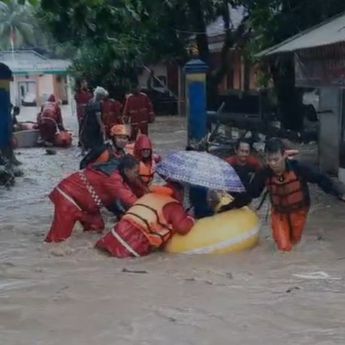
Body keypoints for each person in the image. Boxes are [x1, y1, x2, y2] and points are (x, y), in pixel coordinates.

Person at [248, 137, 345, 252]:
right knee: (284, 247)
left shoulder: (299, 168)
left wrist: (340, 193)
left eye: (276, 159)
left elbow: (322, 179)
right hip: (279, 213)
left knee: (295, 241)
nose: (273, 164)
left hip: (299, 210)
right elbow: (253, 193)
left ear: (284, 155)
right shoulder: (264, 173)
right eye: (269, 160)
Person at [45, 155, 147, 243]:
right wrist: (146, 208)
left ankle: (85, 251)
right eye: (136, 172)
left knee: (96, 227)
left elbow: (125, 194)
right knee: (57, 240)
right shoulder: (113, 178)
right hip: (68, 197)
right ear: (126, 170)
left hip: (84, 203)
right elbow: (127, 197)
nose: (137, 175)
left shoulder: (117, 174)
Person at [95, 181, 195, 258]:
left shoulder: (148, 196)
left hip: (117, 231)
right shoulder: (173, 205)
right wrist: (190, 219)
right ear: (179, 193)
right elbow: (182, 228)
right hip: (135, 239)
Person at [80, 86, 108, 151]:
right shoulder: (97, 103)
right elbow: (98, 116)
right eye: (102, 96)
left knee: (89, 139)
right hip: (94, 125)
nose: (103, 98)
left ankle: (89, 150)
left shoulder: (90, 101)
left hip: (88, 123)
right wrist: (102, 126)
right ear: (100, 95)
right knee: (96, 140)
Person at [74, 79, 93, 144]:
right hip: (81, 111)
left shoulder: (89, 92)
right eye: (84, 83)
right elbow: (77, 99)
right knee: (81, 125)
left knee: (88, 125)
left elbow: (91, 99)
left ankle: (88, 140)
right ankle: (81, 141)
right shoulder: (78, 93)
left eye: (86, 83)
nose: (85, 84)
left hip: (88, 110)